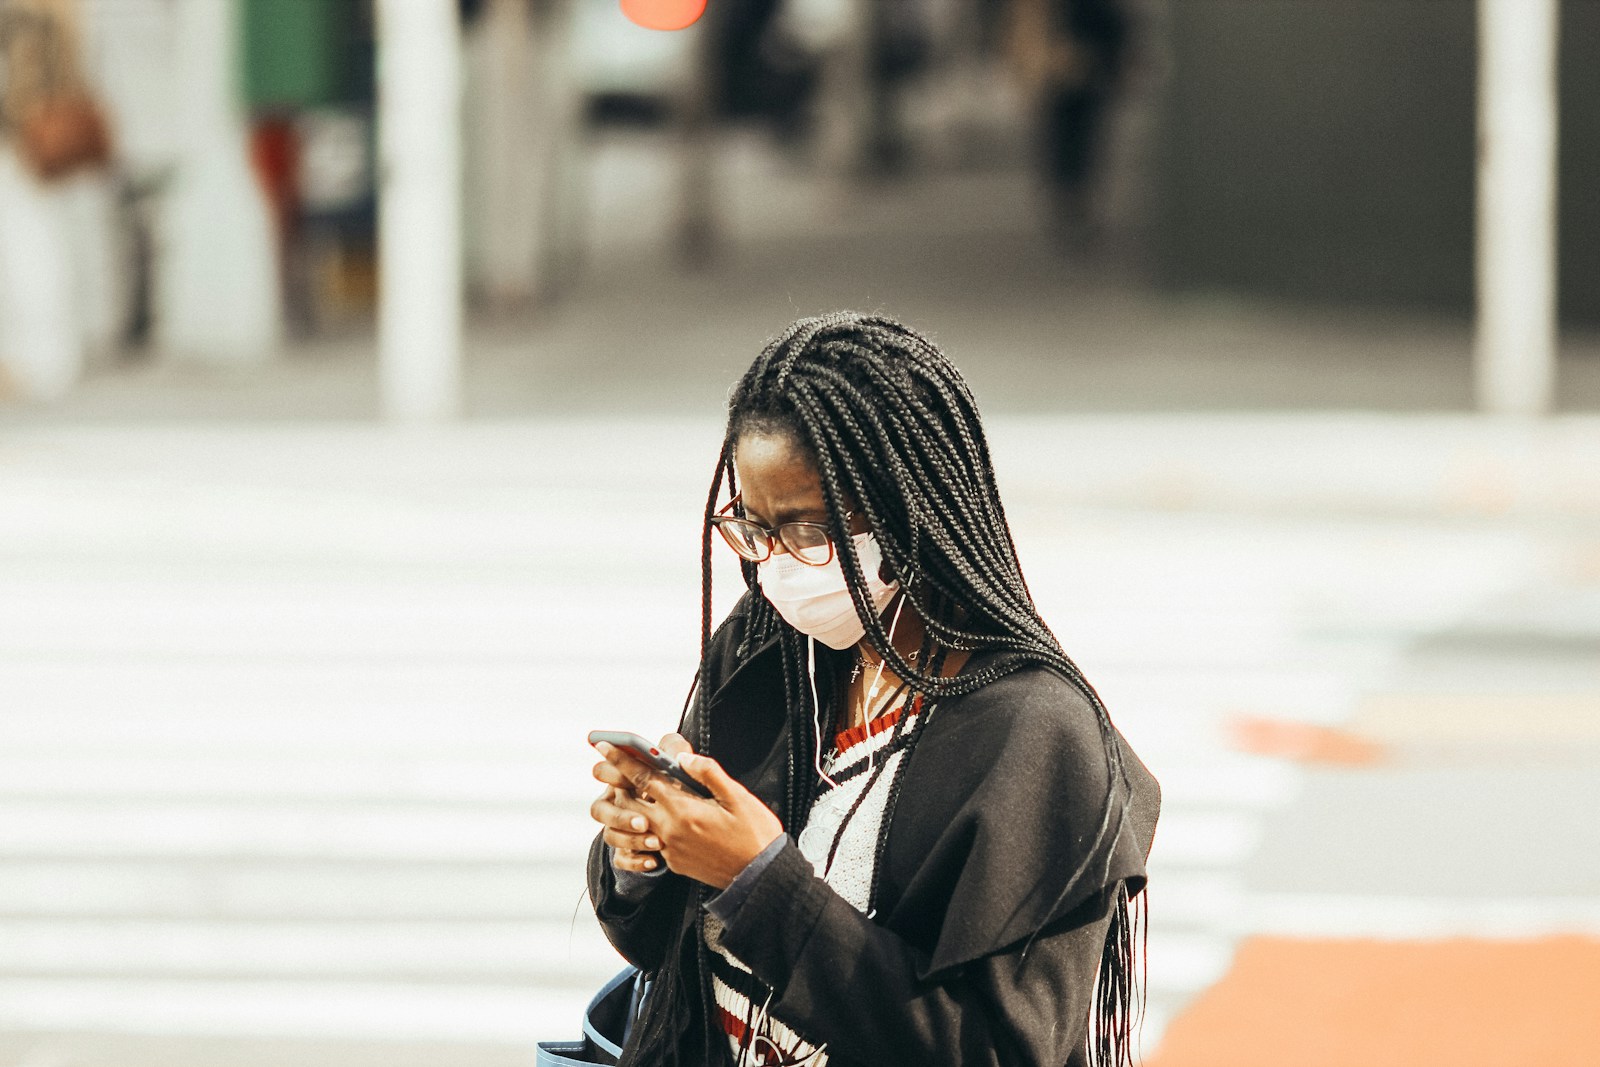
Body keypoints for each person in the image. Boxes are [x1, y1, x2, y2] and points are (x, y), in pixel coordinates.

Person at [587, 312, 1160, 1067]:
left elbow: (996, 1049)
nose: (776, 568)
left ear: (905, 508)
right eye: (753, 529)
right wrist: (643, 857)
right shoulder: (767, 646)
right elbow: (661, 944)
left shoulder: (1037, 736)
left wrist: (762, 885)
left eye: (809, 533)